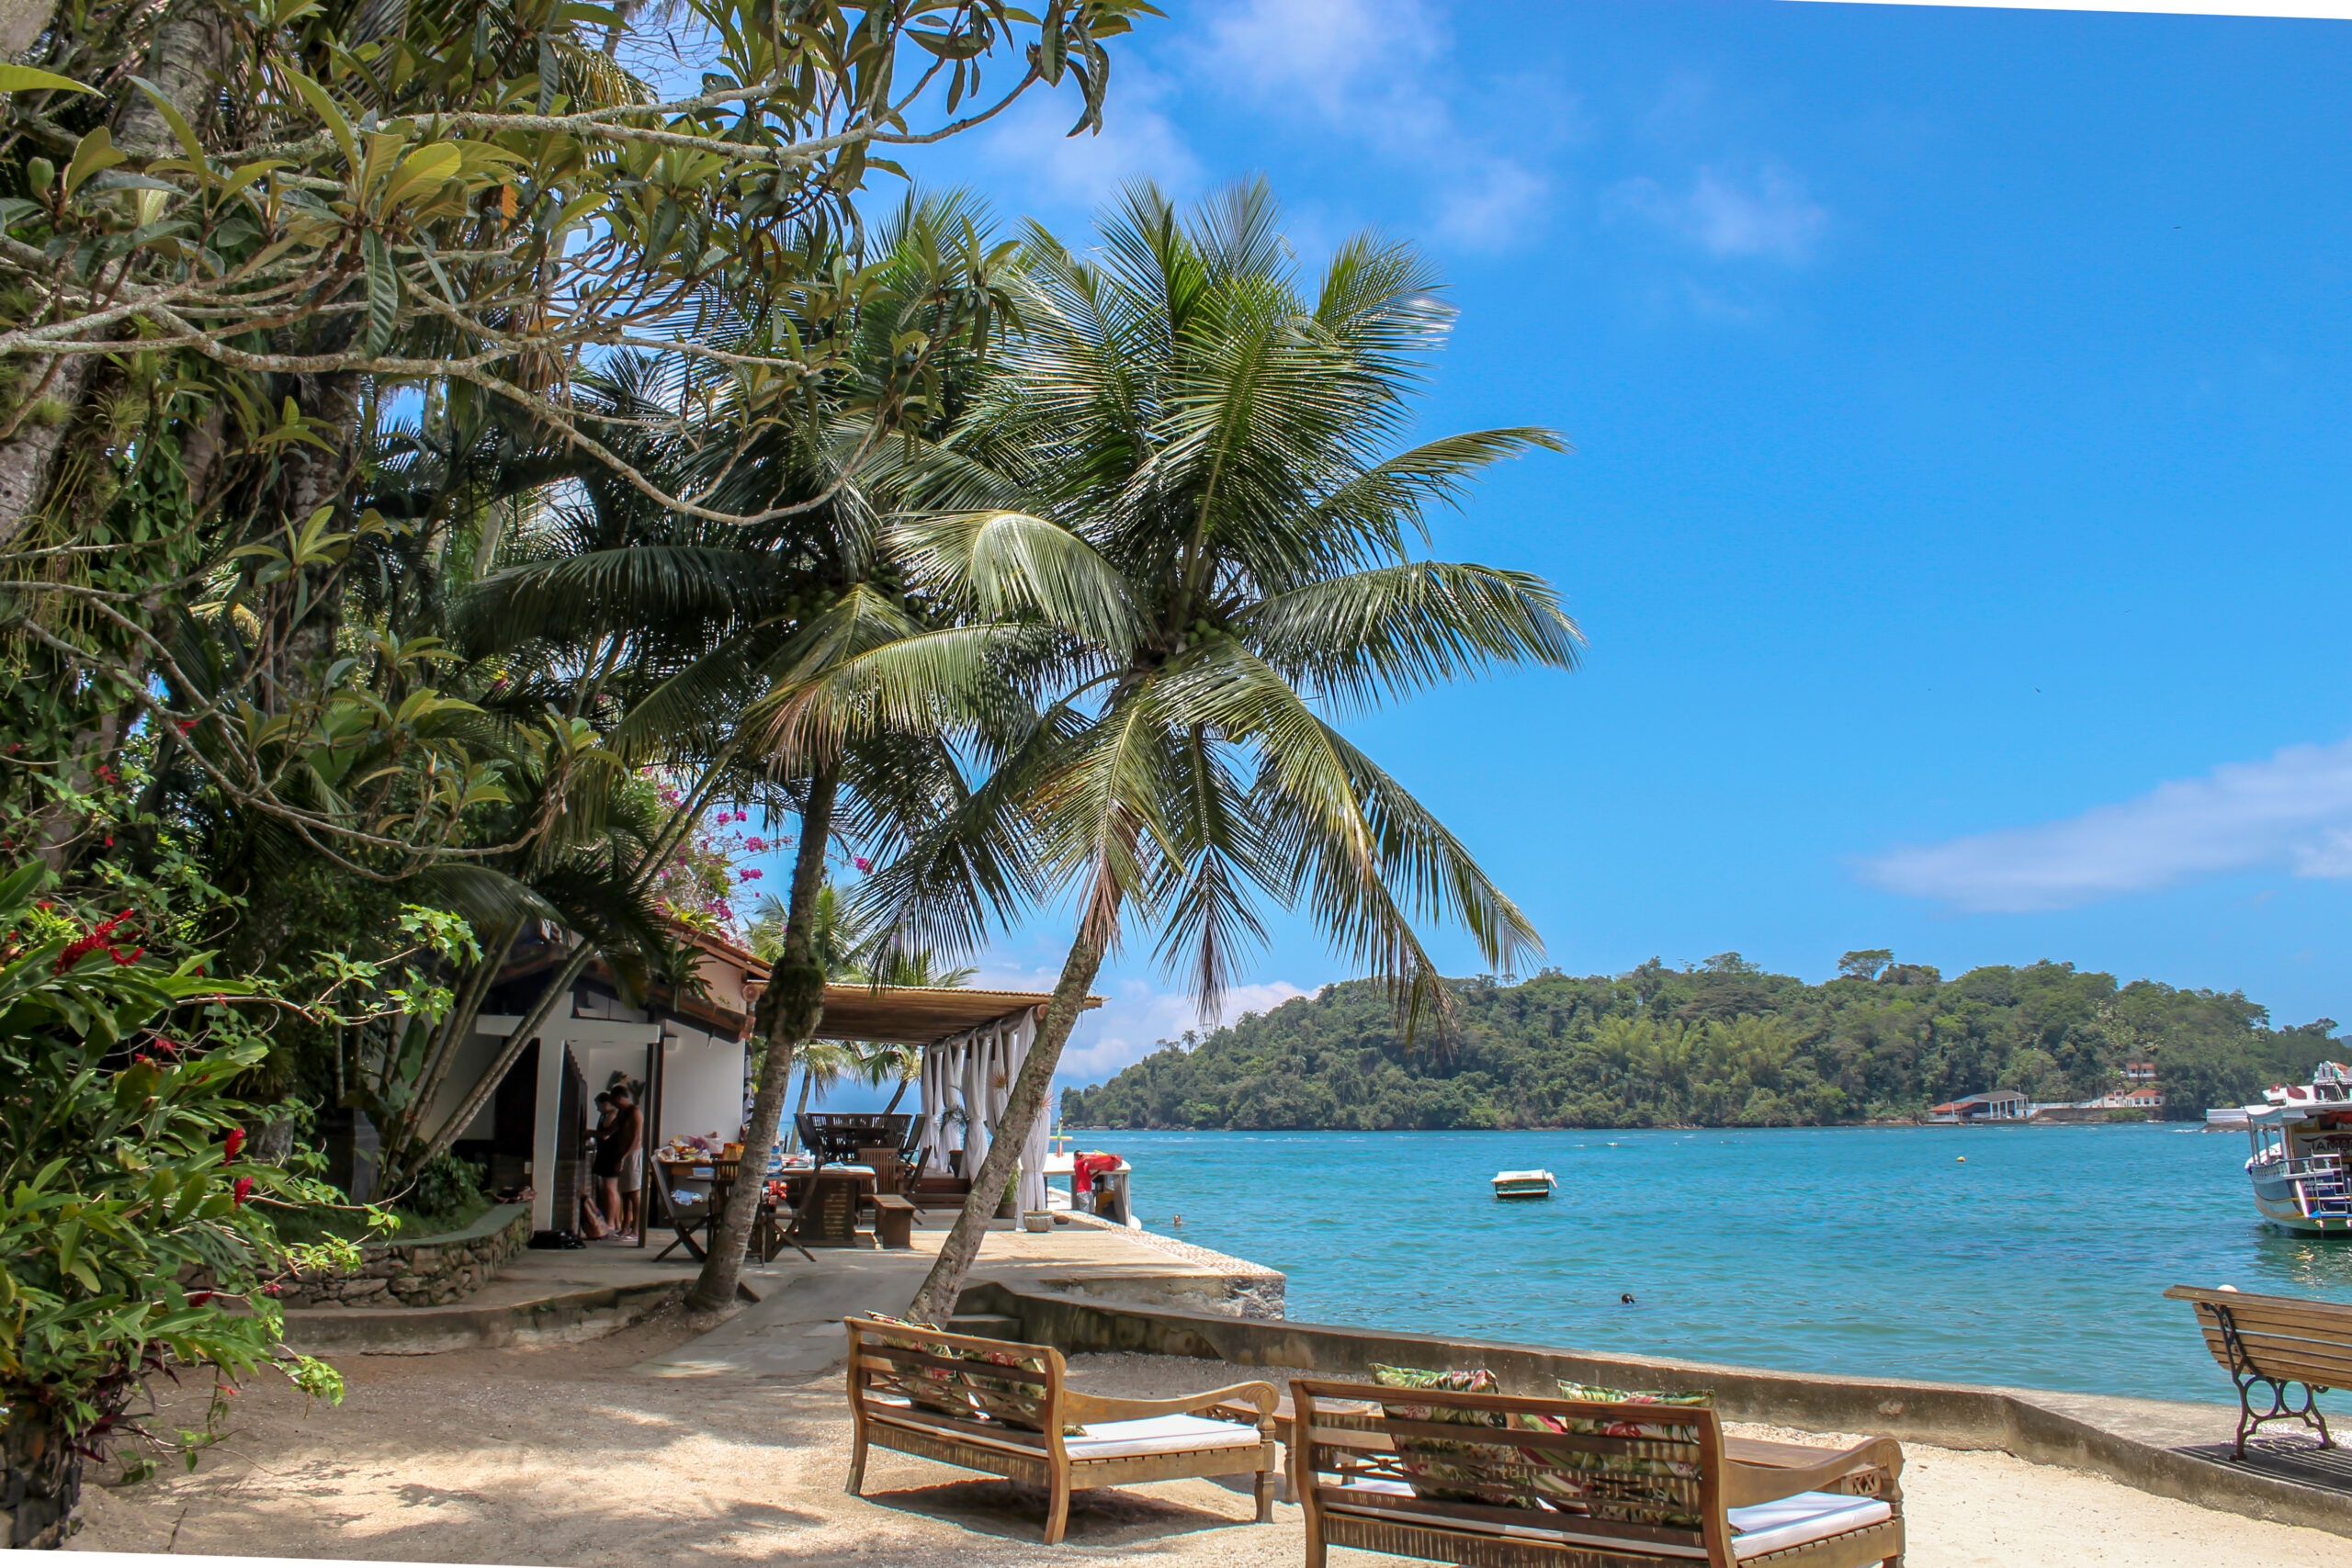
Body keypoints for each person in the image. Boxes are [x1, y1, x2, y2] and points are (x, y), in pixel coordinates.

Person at [607, 1083, 645, 1241]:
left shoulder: (635, 1112)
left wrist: (624, 1157)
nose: (612, 1103)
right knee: (625, 1193)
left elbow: (637, 1137)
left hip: (633, 1155)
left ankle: (636, 1231)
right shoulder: (621, 1113)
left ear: (619, 1098)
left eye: (613, 1100)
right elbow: (610, 1130)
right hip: (622, 1154)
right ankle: (624, 1228)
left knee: (635, 1194)